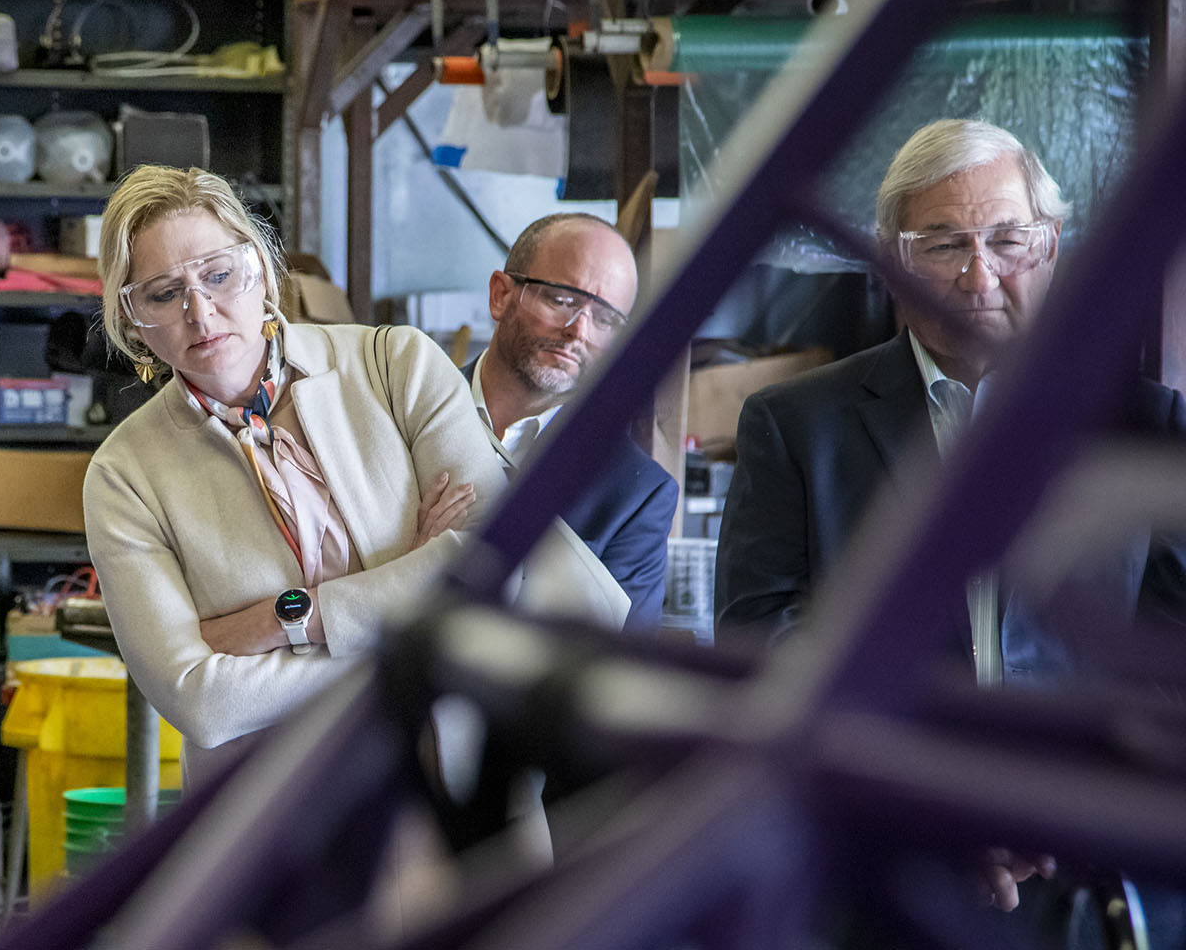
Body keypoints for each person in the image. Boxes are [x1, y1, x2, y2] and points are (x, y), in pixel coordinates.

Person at [83, 167, 628, 869]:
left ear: (262, 271)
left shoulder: (395, 365)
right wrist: (418, 605)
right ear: (130, 319)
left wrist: (290, 619)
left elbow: (498, 566)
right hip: (278, 841)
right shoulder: (124, 476)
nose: (200, 310)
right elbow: (203, 702)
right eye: (163, 292)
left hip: (464, 806)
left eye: (219, 274)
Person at [714, 119, 1186, 927]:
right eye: (942, 244)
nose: (978, 275)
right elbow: (760, 636)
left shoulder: (1146, 427)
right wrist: (921, 799)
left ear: (1053, 246)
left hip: (1087, 867)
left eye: (1009, 239)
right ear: (891, 258)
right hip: (880, 860)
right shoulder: (796, 423)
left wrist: (1060, 800)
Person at [467, 213, 679, 632]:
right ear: (500, 295)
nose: (578, 332)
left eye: (605, 319)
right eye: (561, 300)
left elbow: (610, 667)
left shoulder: (635, 494)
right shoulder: (398, 408)